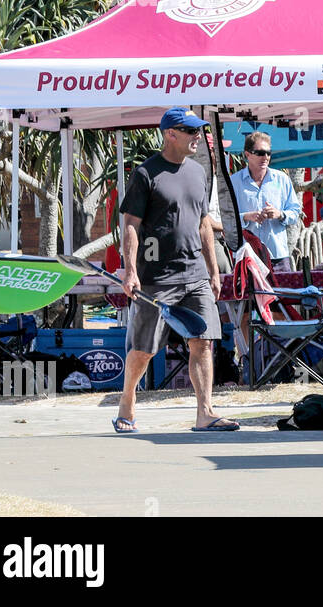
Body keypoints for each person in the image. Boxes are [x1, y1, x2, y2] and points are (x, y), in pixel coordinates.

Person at [116, 108, 232, 433]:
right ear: (170, 134)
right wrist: (130, 271)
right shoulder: (145, 174)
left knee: (203, 341)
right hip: (155, 278)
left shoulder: (198, 172)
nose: (197, 136)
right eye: (190, 130)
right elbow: (130, 226)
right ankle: (127, 400)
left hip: (195, 273)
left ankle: (205, 413)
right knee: (144, 350)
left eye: (199, 130)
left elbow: (204, 223)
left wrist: (213, 270)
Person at [229, 131, 303, 271]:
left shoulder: (282, 179)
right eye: (260, 153)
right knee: (249, 294)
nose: (266, 157)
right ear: (247, 154)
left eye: (268, 153)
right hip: (247, 256)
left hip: (277, 257)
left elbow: (295, 212)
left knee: (282, 293)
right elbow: (226, 219)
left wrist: (280, 214)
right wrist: (246, 216)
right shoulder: (234, 182)